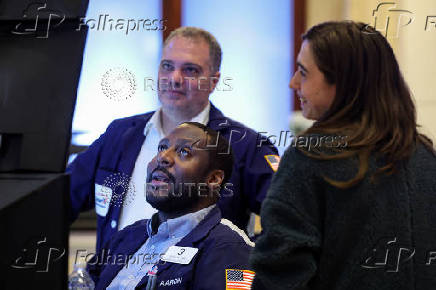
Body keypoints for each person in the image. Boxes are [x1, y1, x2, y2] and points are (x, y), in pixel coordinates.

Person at [250, 21, 436, 289]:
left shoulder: (310, 157)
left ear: (343, 82)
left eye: (303, 72)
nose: (293, 83)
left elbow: (279, 274)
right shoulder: (426, 156)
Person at [67, 26, 279, 252]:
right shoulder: (120, 134)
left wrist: (244, 264)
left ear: (214, 81)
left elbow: (288, 220)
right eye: (167, 66)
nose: (175, 79)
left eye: (190, 70)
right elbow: (58, 200)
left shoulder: (244, 145)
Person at [87, 122, 255, 289]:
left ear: (213, 179)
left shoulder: (231, 248)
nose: (163, 157)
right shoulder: (127, 235)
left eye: (184, 151)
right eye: (161, 147)